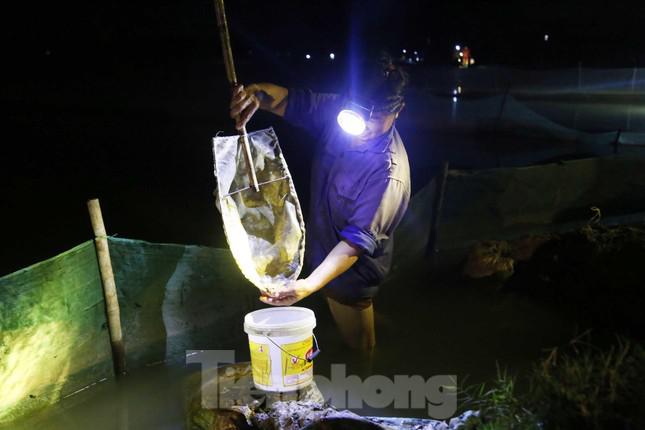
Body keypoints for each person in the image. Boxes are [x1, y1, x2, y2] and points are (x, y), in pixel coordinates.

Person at [229, 58, 411, 352]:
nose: (363, 126)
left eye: (376, 117)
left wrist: (306, 286)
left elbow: (354, 244)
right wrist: (254, 97)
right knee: (344, 322)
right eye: (358, 113)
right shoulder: (343, 113)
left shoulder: (389, 174)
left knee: (361, 348)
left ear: (397, 111)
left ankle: (368, 374)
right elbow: (288, 101)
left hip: (352, 272)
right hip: (320, 246)